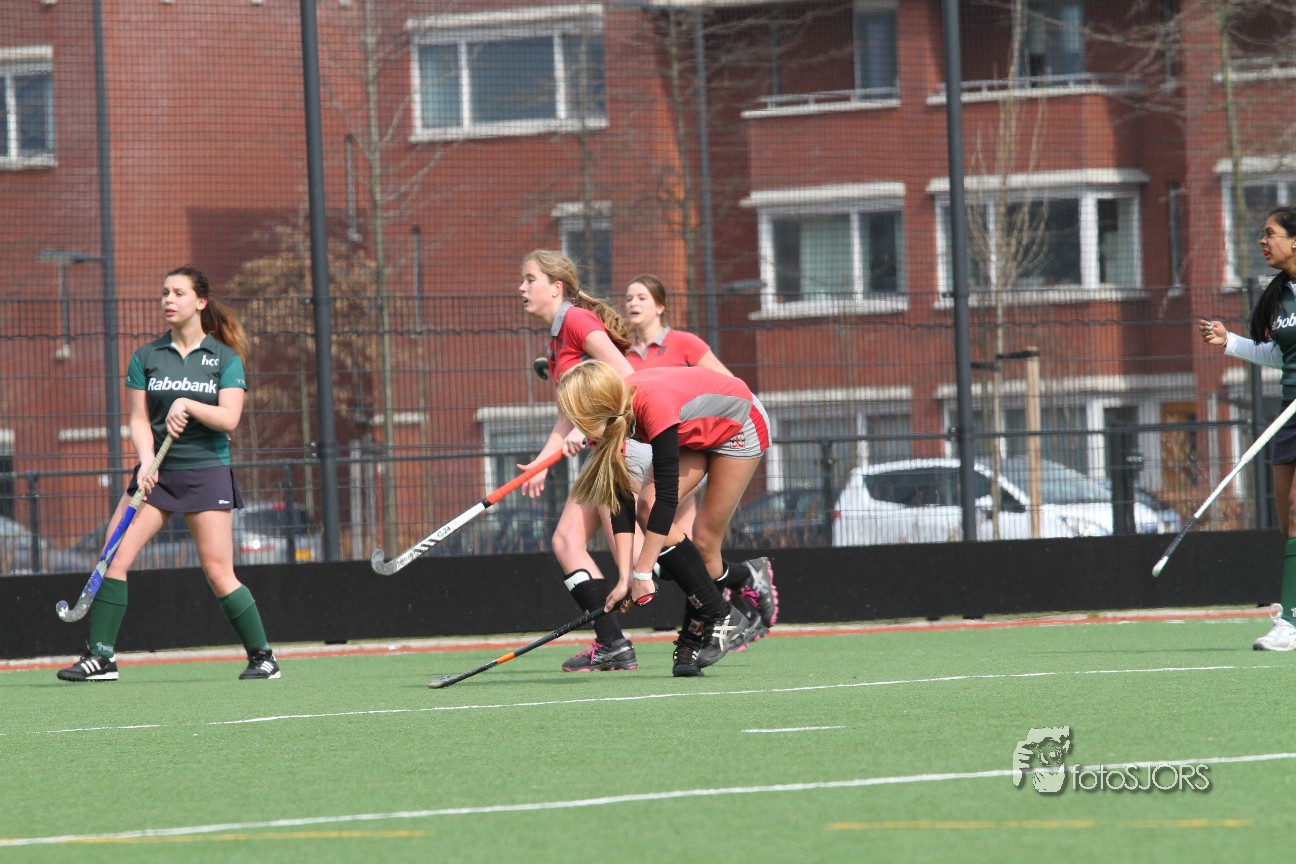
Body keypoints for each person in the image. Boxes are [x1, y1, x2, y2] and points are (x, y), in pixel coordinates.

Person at [57, 266, 280, 682]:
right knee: (112, 557)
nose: (168, 300)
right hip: (156, 475)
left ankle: (263, 657)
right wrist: (145, 460)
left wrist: (188, 405)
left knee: (218, 572)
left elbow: (229, 418)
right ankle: (101, 657)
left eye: (178, 293)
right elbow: (138, 418)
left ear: (200, 302)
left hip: (206, 472)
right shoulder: (146, 356)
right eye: (164, 293)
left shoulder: (224, 359)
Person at [557, 359, 768, 676]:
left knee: (704, 540)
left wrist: (643, 573)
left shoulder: (652, 404)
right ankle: (719, 616)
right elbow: (620, 500)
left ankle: (706, 628)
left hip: (739, 423)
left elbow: (668, 498)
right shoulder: (609, 420)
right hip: (694, 429)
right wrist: (625, 578)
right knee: (646, 506)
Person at [622, 274, 778, 637]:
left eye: (641, 297)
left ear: (660, 306)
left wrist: (640, 571)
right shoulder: (624, 355)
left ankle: (708, 624)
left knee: (696, 539)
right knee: (678, 540)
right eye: (628, 297)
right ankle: (736, 586)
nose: (633, 303)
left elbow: (727, 384)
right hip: (674, 442)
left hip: (714, 428)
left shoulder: (683, 342)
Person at [515, 250, 645, 672]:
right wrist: (541, 463)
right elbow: (566, 416)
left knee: (647, 556)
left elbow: (627, 376)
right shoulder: (555, 341)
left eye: (529, 279)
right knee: (567, 542)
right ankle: (612, 643)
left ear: (556, 287)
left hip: (623, 447)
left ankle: (731, 581)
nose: (521, 288)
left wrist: (593, 425)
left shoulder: (576, 321)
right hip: (602, 452)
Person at [1200, 205, 1296, 651]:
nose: (1263, 241)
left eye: (1270, 233)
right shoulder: (1280, 295)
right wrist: (1231, 342)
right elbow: (1279, 355)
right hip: (1289, 414)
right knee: (1286, 524)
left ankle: (1290, 622)